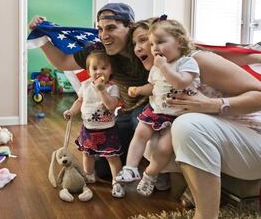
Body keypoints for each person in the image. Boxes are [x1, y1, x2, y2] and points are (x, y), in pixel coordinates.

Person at [130, 18, 261, 219]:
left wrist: (213, 105)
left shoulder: (199, 60)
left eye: (146, 40)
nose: (141, 47)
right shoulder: (164, 74)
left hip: (254, 138)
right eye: (135, 43)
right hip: (227, 139)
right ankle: (196, 196)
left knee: (186, 125)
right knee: (155, 132)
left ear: (176, 40)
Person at [29, 3, 149, 180]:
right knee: (103, 171)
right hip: (124, 111)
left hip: (148, 108)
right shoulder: (99, 49)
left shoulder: (143, 47)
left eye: (111, 28)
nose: (104, 35)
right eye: (100, 29)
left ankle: (157, 172)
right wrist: (41, 36)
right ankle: (131, 161)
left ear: (130, 27)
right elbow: (62, 62)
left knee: (141, 123)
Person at [116, 17, 200, 197]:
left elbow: (181, 83)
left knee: (163, 148)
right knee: (139, 134)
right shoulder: (157, 66)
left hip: (178, 116)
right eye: (153, 43)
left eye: (160, 42)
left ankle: (150, 175)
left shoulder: (187, 62)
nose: (155, 48)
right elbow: (154, 87)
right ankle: (130, 168)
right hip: (156, 110)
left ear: (180, 42)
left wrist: (163, 67)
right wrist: (138, 90)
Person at [63, 50, 124, 198]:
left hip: (107, 129)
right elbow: (80, 101)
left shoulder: (112, 88)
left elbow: (111, 105)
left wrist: (102, 90)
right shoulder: (85, 86)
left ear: (111, 70)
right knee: (87, 154)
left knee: (112, 157)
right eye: (94, 68)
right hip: (88, 128)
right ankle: (89, 175)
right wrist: (71, 111)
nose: (99, 72)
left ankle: (117, 182)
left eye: (104, 68)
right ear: (88, 71)